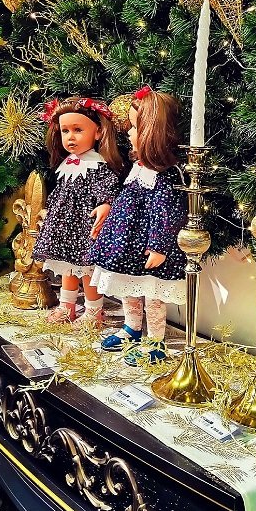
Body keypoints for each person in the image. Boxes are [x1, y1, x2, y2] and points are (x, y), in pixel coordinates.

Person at [88, 86, 187, 364]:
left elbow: (167, 213)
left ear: (153, 132)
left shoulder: (166, 175)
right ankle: (131, 327)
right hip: (126, 244)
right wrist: (110, 212)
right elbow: (128, 197)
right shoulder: (138, 166)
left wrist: (159, 246)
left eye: (135, 128)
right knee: (128, 287)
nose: (129, 133)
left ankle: (155, 340)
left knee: (152, 294)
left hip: (147, 248)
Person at [32, 97, 123, 326]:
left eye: (78, 130)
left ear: (98, 132)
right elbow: (60, 193)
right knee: (67, 269)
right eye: (65, 131)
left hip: (85, 228)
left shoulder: (97, 164)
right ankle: (67, 306)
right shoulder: (66, 165)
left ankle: (93, 311)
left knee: (87, 270)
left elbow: (108, 188)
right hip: (65, 228)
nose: (70, 137)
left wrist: (105, 204)